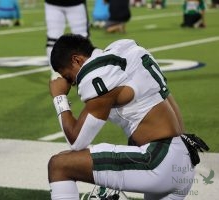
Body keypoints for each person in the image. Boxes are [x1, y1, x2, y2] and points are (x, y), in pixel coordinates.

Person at [48, 34, 209, 200]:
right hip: (182, 158)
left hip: (159, 160)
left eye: (68, 77)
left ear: (77, 60)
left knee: (59, 165)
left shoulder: (99, 73)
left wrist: (59, 97)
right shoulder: (125, 53)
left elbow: (77, 141)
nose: (71, 83)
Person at [44, 0, 89, 80]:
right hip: (53, 4)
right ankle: (55, 73)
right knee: (53, 38)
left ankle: (85, 71)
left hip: (75, 4)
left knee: (81, 39)